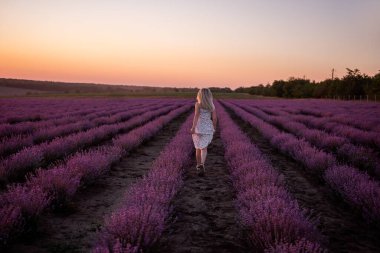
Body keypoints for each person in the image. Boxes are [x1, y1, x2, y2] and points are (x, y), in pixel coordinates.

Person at [190, 88, 217, 176]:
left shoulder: (198, 104)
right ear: (209, 95)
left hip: (198, 128)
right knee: (204, 148)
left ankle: (198, 165)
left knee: (197, 148)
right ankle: (202, 164)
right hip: (208, 129)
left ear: (200, 95)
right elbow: (215, 118)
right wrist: (214, 127)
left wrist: (193, 127)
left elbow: (196, 116)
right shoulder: (211, 105)